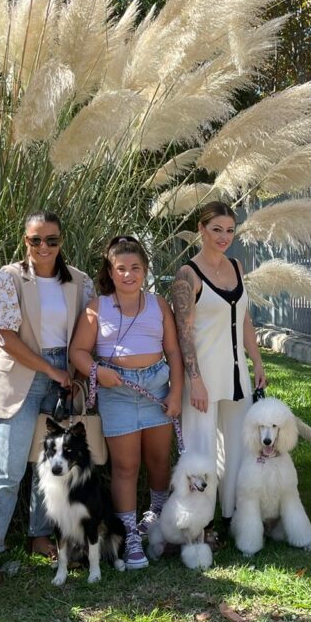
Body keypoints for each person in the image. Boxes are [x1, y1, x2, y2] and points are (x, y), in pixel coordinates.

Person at [0, 210, 93, 587]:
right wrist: (50, 369)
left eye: (51, 240)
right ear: (24, 241)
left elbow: (87, 332)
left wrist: (71, 373)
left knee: (52, 467)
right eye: (35, 240)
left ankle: (40, 536)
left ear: (62, 241)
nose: (43, 247)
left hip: (65, 377)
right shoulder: (7, 279)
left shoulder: (79, 281)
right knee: (8, 469)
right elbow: (6, 339)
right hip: (22, 376)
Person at [70, 236, 183, 569]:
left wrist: (176, 392)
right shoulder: (98, 307)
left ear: (145, 270)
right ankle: (130, 535)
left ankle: (159, 520)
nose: (129, 275)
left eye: (135, 268)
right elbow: (77, 351)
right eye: (121, 268)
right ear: (111, 270)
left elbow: (173, 350)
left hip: (156, 390)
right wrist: (97, 371)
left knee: (160, 460)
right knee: (125, 466)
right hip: (116, 391)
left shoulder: (158, 304)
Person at [170, 201, 266, 521]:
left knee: (241, 445)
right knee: (202, 449)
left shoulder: (236, 267)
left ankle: (237, 515)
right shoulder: (188, 274)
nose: (224, 237)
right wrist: (194, 380)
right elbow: (184, 334)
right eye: (216, 230)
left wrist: (257, 361)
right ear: (201, 229)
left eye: (229, 230)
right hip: (204, 376)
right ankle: (199, 522)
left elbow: (245, 318)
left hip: (237, 373)